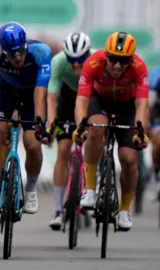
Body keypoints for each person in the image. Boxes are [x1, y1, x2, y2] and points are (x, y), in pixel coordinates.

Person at [74, 32, 150, 231]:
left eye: (123, 61)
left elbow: (142, 104)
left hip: (128, 107)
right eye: (113, 59)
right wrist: (81, 126)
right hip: (101, 102)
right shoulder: (92, 63)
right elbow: (81, 100)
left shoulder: (139, 67)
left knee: (129, 158)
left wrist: (140, 131)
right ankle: (90, 189)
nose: (117, 66)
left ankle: (124, 209)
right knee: (96, 129)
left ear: (131, 60)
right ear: (106, 56)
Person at [0, 22, 52, 223]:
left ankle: (30, 189)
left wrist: (40, 123)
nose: (18, 57)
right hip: (6, 92)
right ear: (3, 51)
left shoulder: (41, 52)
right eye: (12, 54)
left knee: (32, 142)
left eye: (21, 51)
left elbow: (41, 92)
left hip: (32, 94)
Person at [47, 32, 94, 230]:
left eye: (80, 61)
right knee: (63, 149)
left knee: (94, 144)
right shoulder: (58, 62)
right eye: (71, 61)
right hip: (67, 98)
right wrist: (51, 124)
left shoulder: (95, 61)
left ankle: (90, 189)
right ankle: (58, 209)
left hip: (91, 97)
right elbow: (51, 97)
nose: (76, 66)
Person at [148, 67, 160, 200]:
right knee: (159, 142)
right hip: (157, 114)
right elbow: (149, 106)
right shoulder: (157, 76)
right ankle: (157, 177)